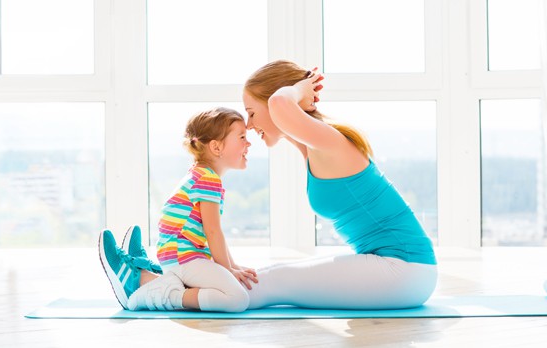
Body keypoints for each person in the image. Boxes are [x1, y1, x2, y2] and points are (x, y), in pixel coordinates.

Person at [240, 60, 438, 309]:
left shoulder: (331, 142)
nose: (248, 125)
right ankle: (195, 291)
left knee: (274, 281)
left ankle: (185, 299)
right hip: (400, 269)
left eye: (251, 112)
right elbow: (282, 110)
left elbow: (279, 104)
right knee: (268, 273)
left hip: (405, 269)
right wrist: (299, 98)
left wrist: (300, 90)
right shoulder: (313, 147)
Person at [98, 107, 258, 313]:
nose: (249, 143)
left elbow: (213, 233)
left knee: (233, 289)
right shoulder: (208, 179)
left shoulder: (201, 175)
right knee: (237, 299)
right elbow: (213, 232)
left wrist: (232, 266)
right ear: (216, 147)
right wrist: (228, 269)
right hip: (185, 259)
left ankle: (145, 273)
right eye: (242, 136)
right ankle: (149, 288)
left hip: (180, 257)